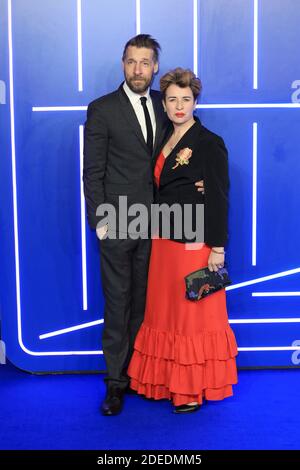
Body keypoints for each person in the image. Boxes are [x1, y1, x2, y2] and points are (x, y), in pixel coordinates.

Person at [83, 36, 205, 416]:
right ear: (123, 64)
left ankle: (140, 376)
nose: (138, 69)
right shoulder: (102, 109)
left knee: (147, 306)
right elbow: (93, 172)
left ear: (155, 67)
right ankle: (116, 385)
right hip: (117, 224)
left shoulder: (164, 103)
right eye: (132, 62)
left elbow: (180, 157)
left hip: (158, 226)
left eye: (146, 62)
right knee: (118, 305)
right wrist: (101, 221)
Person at [128, 68, 238, 413]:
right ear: (165, 104)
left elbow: (219, 196)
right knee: (165, 316)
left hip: (195, 245)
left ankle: (189, 390)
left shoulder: (209, 142)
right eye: (172, 99)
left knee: (192, 319)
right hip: (163, 242)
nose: (179, 106)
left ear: (195, 101)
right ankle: (164, 383)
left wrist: (217, 248)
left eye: (185, 99)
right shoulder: (163, 139)